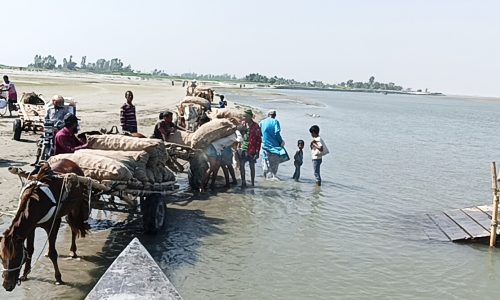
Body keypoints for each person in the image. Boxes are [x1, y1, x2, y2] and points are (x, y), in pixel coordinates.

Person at [259, 109, 288, 179]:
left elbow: (259, 133)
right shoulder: (275, 122)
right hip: (275, 148)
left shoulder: (262, 122)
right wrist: (281, 141)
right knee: (273, 167)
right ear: (275, 115)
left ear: (268, 115)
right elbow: (277, 133)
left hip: (265, 146)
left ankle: (265, 179)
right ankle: (272, 178)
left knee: (265, 164)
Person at [238, 109, 261, 188]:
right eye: (244, 117)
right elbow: (239, 135)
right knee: (241, 166)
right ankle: (243, 182)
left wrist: (257, 152)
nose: (245, 118)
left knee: (252, 166)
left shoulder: (256, 126)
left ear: (250, 117)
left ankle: (252, 183)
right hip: (243, 148)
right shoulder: (243, 124)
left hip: (252, 149)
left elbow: (259, 140)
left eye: (246, 117)